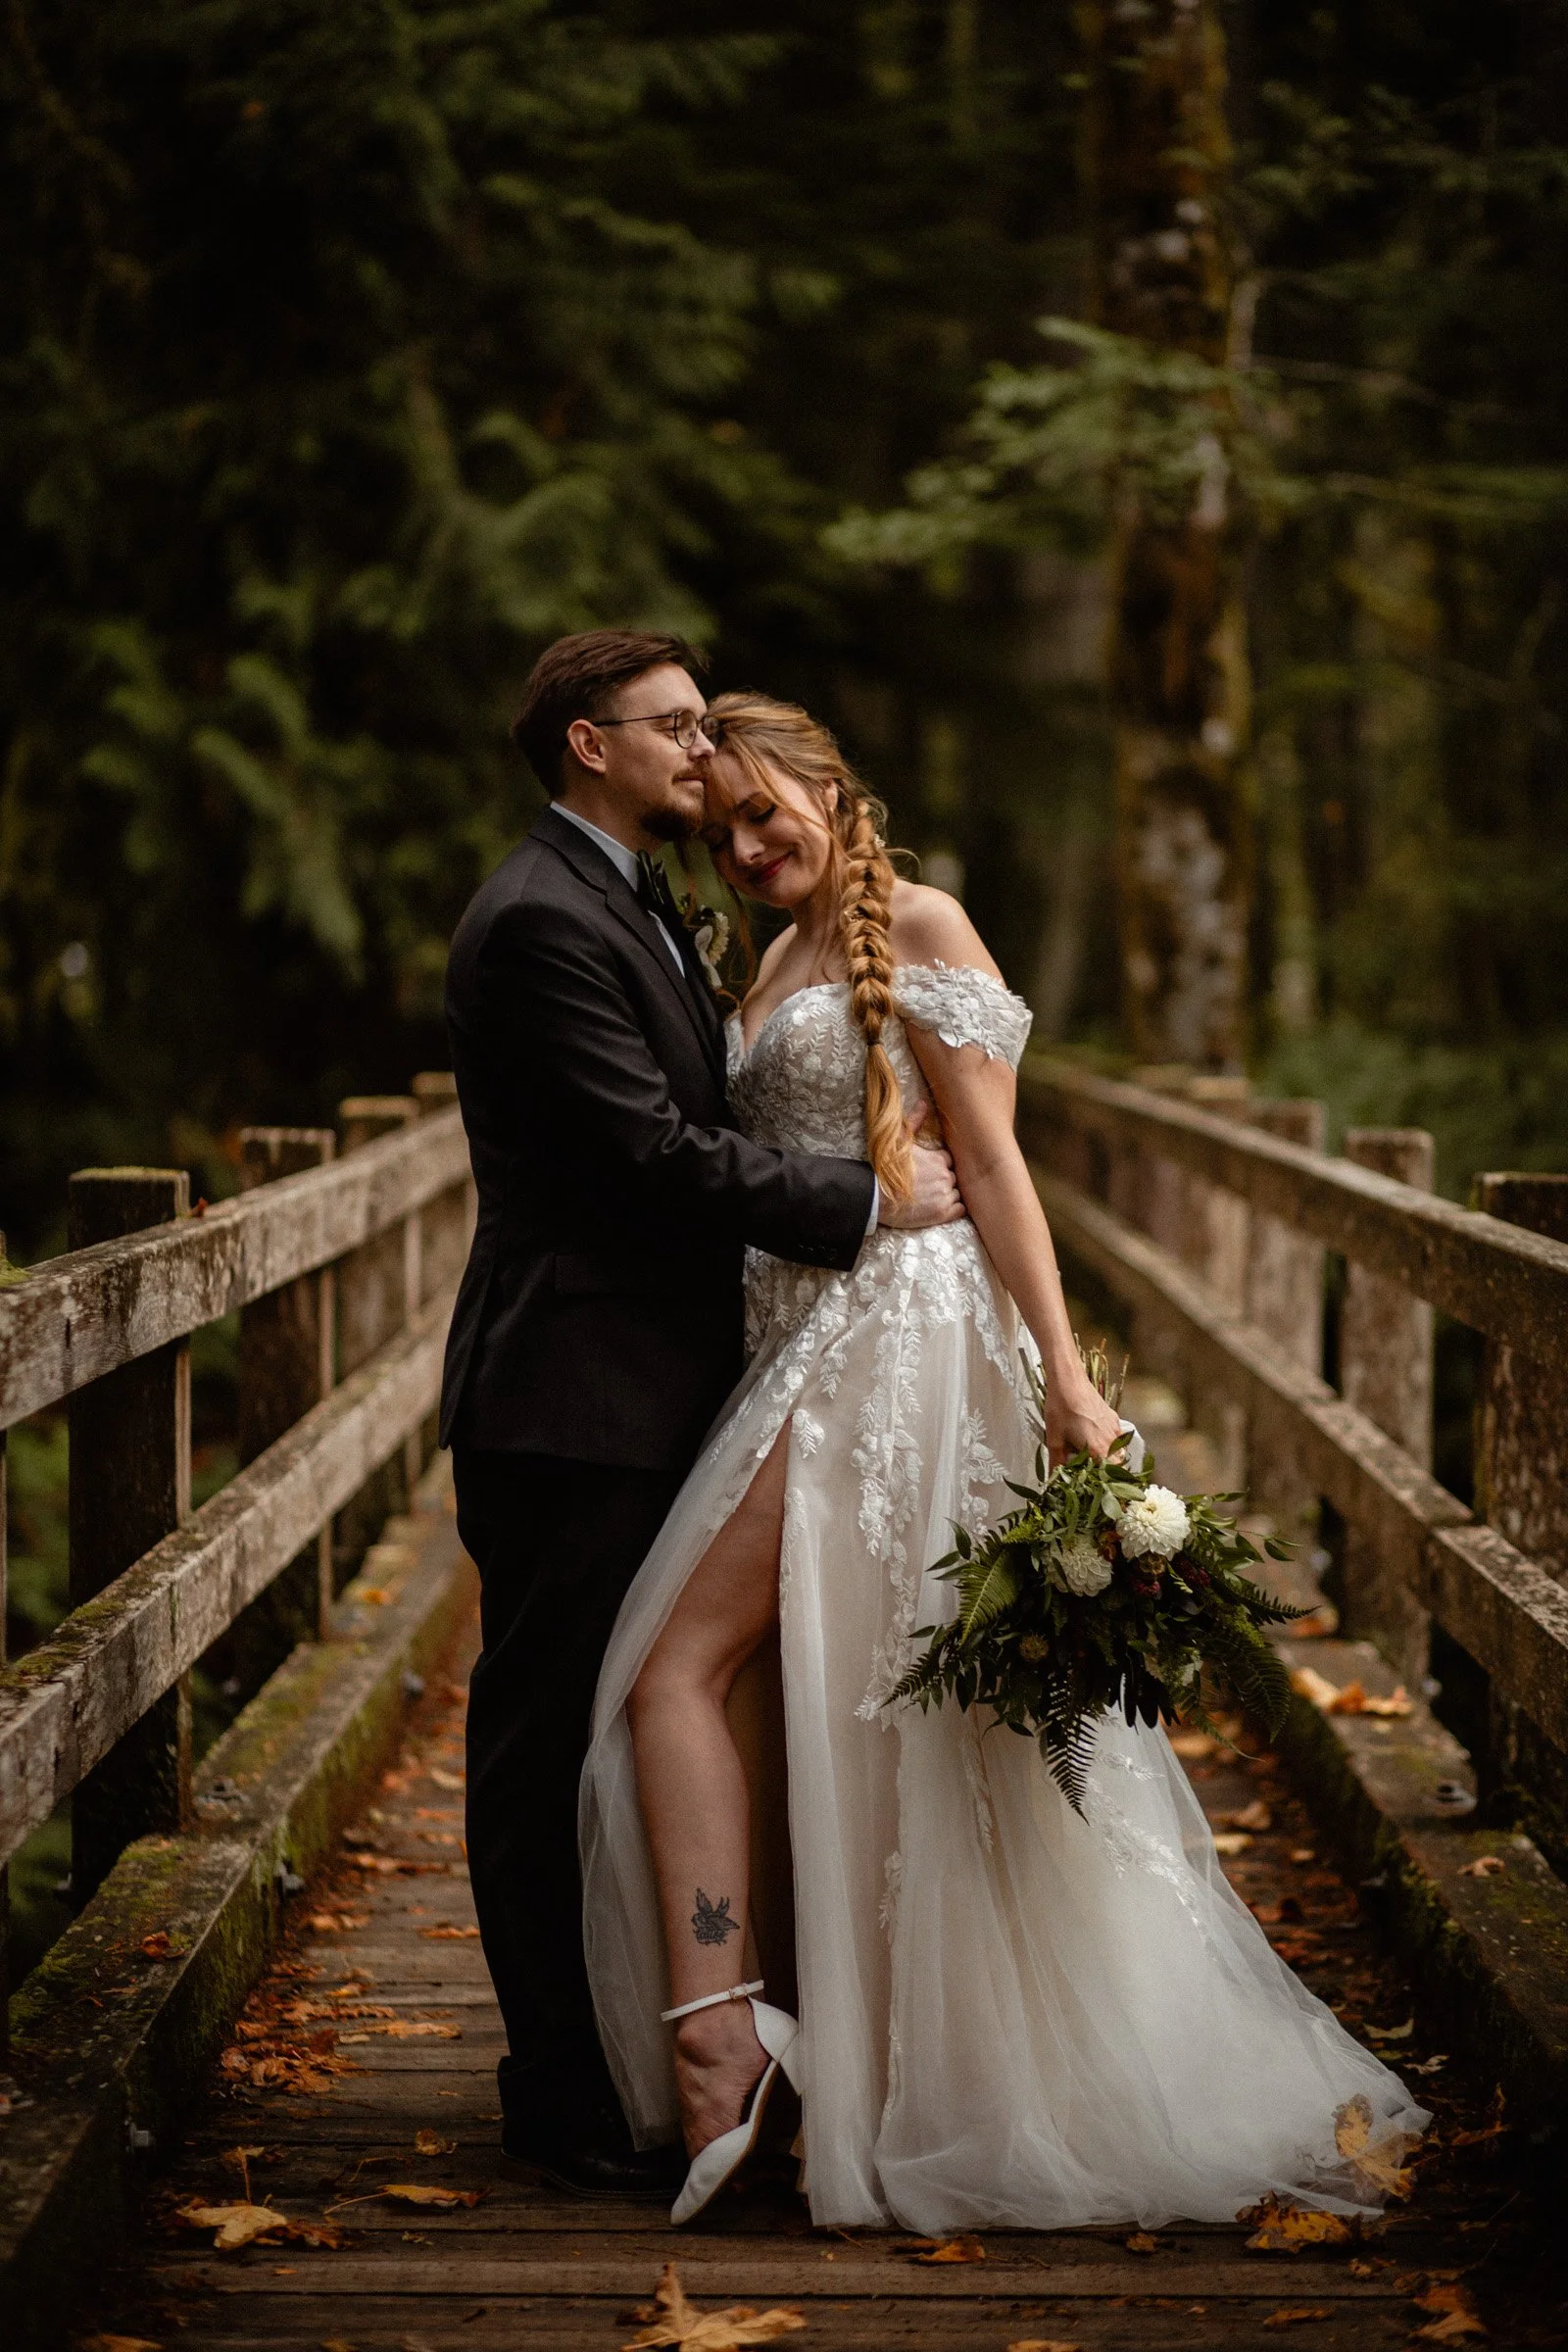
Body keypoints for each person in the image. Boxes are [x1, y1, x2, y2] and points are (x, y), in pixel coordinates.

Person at [580, 692, 1426, 2230]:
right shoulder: (762, 959)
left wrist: (1065, 1386)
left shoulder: (924, 922)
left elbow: (997, 1167)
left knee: (684, 1666)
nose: (750, 847)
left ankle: (755, 2054)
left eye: (771, 814)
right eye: (725, 832)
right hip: (795, 1344)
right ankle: (846, 2053)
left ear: (837, 791)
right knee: (847, 1693)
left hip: (892, 1348)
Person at [439, 633, 964, 2197]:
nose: (699, 751)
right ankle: (567, 2095)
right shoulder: (540, 919)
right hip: (571, 1393)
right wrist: (870, 1201)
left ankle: (685, 2046)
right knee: (546, 1740)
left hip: (682, 1381)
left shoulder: (648, 903)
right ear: (590, 746)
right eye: (671, 726)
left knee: (657, 1704)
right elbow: (651, 1155)